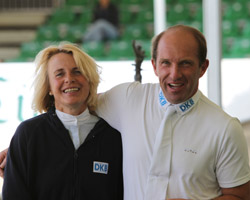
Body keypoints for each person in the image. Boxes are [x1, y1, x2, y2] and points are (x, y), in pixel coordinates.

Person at [1, 25, 250, 199]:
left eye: (185, 63)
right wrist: (22, 150)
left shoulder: (224, 127)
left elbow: (240, 196)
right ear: (154, 65)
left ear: (203, 67)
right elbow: (74, 106)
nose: (174, 73)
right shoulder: (129, 98)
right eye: (166, 63)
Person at [1, 43, 123, 200]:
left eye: (77, 71)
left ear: (89, 80)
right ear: (49, 87)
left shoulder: (112, 136)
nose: (69, 79)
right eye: (59, 74)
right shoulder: (28, 134)